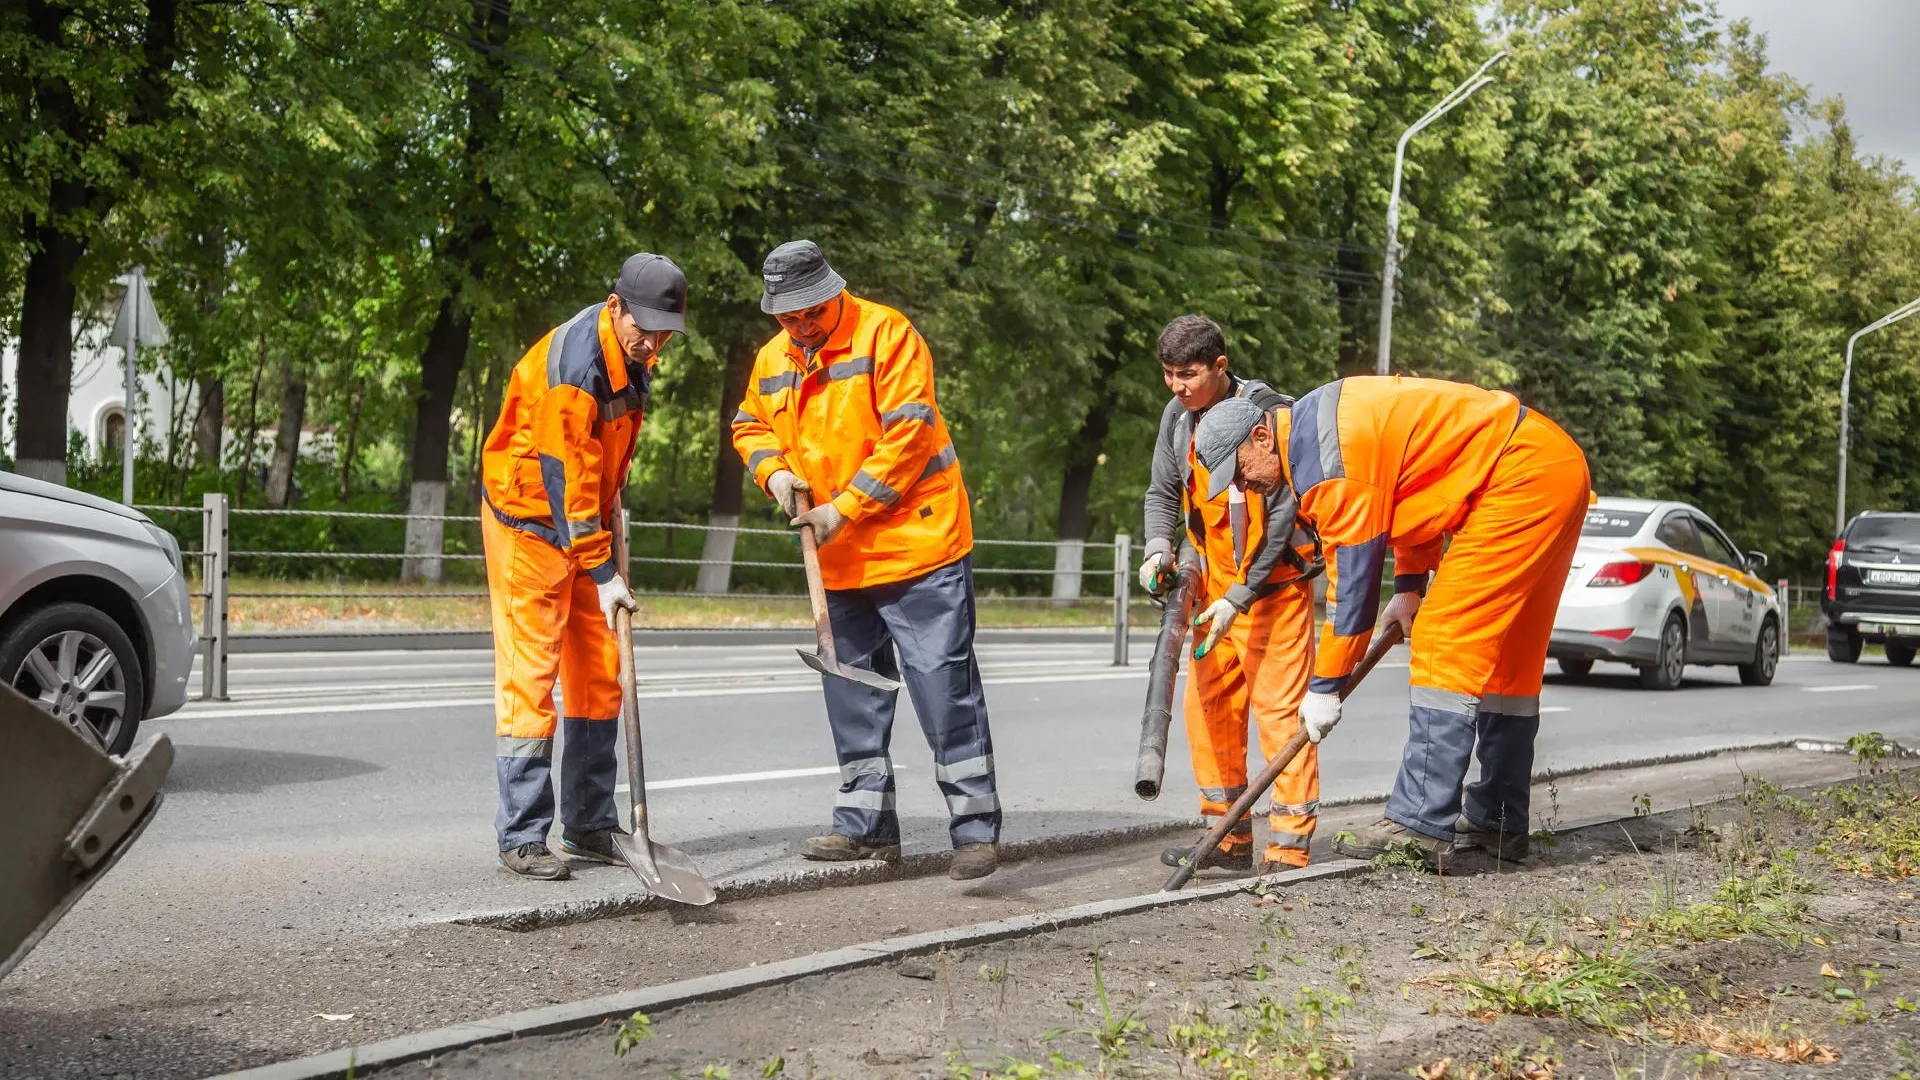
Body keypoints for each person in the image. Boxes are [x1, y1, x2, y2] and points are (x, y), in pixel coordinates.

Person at [1190, 376, 1590, 870]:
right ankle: (1498, 821)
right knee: (1508, 667)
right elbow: (1414, 495)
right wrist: (1408, 586)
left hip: (1514, 480)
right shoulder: (1317, 430)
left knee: (1445, 641)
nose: (1242, 485)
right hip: (1549, 466)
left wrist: (1324, 686)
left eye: (1240, 471)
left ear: (1261, 436)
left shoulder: (1325, 469)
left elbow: (1351, 598)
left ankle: (1419, 822)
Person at [730, 240, 1002, 881]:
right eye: (786, 316)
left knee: (943, 691)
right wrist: (774, 477)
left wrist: (841, 509)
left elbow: (909, 438)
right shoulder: (774, 357)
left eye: (808, 312)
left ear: (832, 292)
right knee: (851, 694)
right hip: (839, 558)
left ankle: (974, 831)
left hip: (918, 548)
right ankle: (866, 828)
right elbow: (749, 425)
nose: (798, 325)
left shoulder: (887, 334)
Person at [479, 253, 687, 880]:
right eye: (642, 329)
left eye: (663, 333)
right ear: (615, 305)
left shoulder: (634, 358)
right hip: (530, 522)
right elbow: (565, 473)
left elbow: (601, 463)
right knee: (532, 677)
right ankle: (521, 836)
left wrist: (606, 539)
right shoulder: (576, 369)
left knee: (600, 672)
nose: (651, 343)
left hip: (586, 523)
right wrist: (602, 572)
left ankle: (590, 825)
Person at [1138, 315, 1319, 873]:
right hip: (1212, 591)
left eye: (1187, 374)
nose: (1176, 386)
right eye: (1168, 374)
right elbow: (1162, 492)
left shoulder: (1271, 418)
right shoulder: (1176, 418)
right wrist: (1157, 548)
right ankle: (1227, 836)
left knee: (1280, 716)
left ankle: (1288, 848)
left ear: (1221, 365)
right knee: (1208, 710)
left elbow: (1285, 518)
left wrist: (1239, 594)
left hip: (1274, 593)